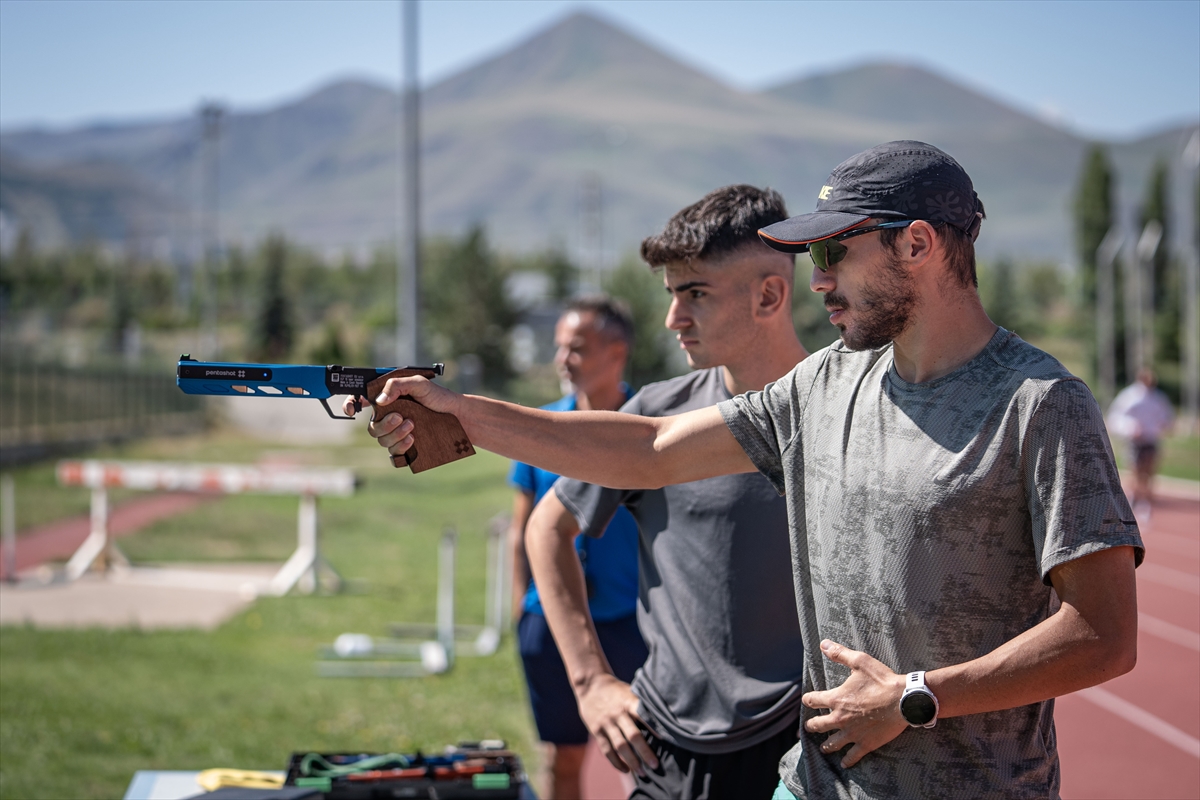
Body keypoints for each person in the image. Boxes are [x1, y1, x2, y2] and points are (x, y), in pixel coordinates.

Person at [351, 141, 1142, 799]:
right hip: (811, 785)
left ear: (919, 244)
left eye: (836, 252)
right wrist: (467, 415)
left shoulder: (1042, 403)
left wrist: (915, 697)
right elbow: (650, 449)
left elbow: (1104, 636)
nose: (818, 278)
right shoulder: (827, 381)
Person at [526, 185, 809, 799]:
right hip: (668, 753)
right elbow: (547, 528)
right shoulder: (656, 415)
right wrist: (590, 683)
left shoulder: (842, 410)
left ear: (769, 294)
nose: (673, 319)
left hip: (802, 751)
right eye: (672, 294)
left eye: (695, 294)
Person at [509, 296, 646, 800]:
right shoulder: (538, 428)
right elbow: (521, 529)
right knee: (561, 761)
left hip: (634, 624)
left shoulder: (656, 429)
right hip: (550, 623)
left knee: (649, 758)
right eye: (559, 348)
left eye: (577, 348)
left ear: (617, 352)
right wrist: (522, 608)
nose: (563, 360)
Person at [1106, 368, 1175, 516]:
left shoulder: (1158, 398)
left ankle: (1146, 498)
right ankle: (1135, 497)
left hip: (1151, 439)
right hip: (1135, 441)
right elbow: (1116, 417)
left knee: (1149, 470)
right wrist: (1129, 428)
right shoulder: (1129, 396)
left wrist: (1165, 425)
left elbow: (1166, 417)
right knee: (1135, 469)